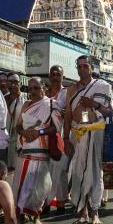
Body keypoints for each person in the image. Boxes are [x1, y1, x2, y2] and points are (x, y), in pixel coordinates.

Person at [64, 55, 113, 224]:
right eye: (79, 66)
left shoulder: (103, 86)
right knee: (77, 172)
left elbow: (109, 112)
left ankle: (95, 212)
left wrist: (94, 104)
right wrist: (65, 138)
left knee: (94, 171)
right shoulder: (71, 89)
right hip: (77, 135)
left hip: (95, 133)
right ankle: (82, 212)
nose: (82, 69)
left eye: (85, 66)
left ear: (91, 68)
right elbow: (68, 116)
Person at [13, 77, 60, 224]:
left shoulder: (52, 104)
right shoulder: (26, 105)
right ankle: (20, 214)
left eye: (36, 88)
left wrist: (39, 132)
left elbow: (56, 127)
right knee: (23, 185)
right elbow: (18, 127)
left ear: (44, 88)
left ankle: (36, 216)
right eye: (30, 88)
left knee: (42, 185)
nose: (32, 91)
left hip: (41, 150)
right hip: (25, 148)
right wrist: (25, 133)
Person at [44, 65, 70, 214]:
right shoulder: (44, 93)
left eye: (58, 74)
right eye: (52, 74)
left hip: (62, 135)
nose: (55, 77)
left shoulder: (67, 93)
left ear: (63, 77)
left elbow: (72, 112)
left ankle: (59, 202)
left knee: (60, 171)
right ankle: (46, 201)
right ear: (49, 76)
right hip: (46, 135)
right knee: (46, 170)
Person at [5, 73, 27, 173]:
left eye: (16, 82)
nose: (13, 85)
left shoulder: (27, 99)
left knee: (18, 171)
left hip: (20, 140)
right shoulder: (3, 98)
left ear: (21, 84)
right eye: (10, 82)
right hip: (4, 141)